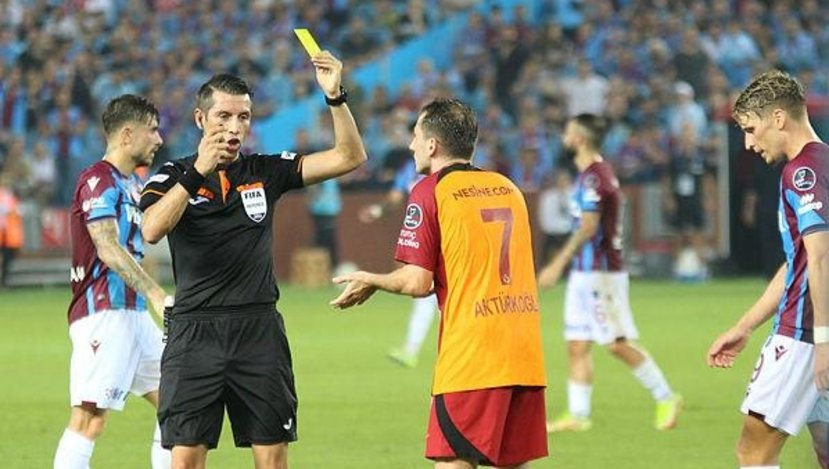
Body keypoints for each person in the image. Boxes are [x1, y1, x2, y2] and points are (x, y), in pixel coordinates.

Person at [139, 51, 366, 469]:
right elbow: (151, 229)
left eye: (243, 117)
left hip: (258, 331)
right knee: (185, 460)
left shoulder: (265, 170)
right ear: (200, 119)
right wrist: (198, 172)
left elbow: (349, 157)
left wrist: (335, 97)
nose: (234, 127)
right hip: (194, 332)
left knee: (272, 459)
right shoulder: (171, 175)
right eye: (223, 116)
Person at [332, 98, 548, 468]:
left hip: (473, 356)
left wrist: (373, 279)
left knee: (453, 461)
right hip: (523, 352)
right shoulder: (508, 187)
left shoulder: (430, 191)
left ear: (432, 145)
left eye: (416, 136)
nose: (411, 144)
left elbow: (418, 282)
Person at [707, 70, 829, 469]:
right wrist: (745, 326)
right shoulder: (824, 162)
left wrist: (823, 341)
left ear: (778, 118)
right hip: (817, 333)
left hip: (804, 335)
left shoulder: (802, 174)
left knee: (754, 452)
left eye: (751, 129)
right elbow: (799, 262)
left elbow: (821, 257)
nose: (748, 143)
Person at [538, 113, 682, 433]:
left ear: (580, 139)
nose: (563, 138)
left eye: (567, 132)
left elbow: (589, 227)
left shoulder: (595, 178)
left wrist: (556, 264)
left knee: (616, 343)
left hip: (600, 273)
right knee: (577, 344)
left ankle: (666, 396)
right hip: (584, 273)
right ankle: (578, 414)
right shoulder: (587, 175)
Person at [53, 94, 170, 469]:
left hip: (133, 313)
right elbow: (106, 246)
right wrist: (156, 293)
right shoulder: (97, 179)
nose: (159, 139)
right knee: (89, 418)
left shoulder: (132, 184)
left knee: (178, 402)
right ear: (127, 134)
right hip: (103, 311)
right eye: (152, 130)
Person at [358, 158, 439, 368]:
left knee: (442, 297)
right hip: (427, 242)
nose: (413, 145)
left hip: (449, 240)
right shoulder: (410, 168)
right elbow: (395, 197)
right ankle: (411, 350)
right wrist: (378, 210)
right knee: (426, 297)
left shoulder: (447, 167)